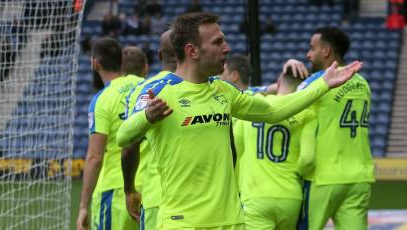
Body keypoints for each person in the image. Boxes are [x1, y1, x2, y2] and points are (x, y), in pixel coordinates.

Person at [116, 12, 362, 229]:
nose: (227, 48)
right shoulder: (158, 90)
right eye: (218, 42)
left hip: (231, 221)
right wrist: (147, 117)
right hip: (182, 223)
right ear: (192, 51)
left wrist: (322, 85)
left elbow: (273, 111)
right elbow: (124, 137)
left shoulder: (223, 91)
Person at [296, 26, 375, 230]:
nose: (308, 54)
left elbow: (286, 109)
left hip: (325, 176)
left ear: (326, 51)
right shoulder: (362, 83)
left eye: (312, 48)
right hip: (359, 177)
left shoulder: (315, 83)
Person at [233, 67, 317, 230]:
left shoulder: (253, 103)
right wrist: (294, 173)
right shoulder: (307, 114)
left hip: (255, 196)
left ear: (278, 83)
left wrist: (237, 190)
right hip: (290, 196)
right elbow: (308, 159)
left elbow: (236, 151)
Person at [76, 38, 146, 230]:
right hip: (149, 187)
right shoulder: (146, 87)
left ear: (94, 63)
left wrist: (83, 206)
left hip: (114, 190)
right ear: (121, 62)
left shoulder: (102, 100)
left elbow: (94, 157)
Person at [122, 29, 177, 230]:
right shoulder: (205, 86)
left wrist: (129, 190)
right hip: (202, 198)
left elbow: (129, 145)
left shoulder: (143, 90)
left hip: (156, 194)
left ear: (160, 55)